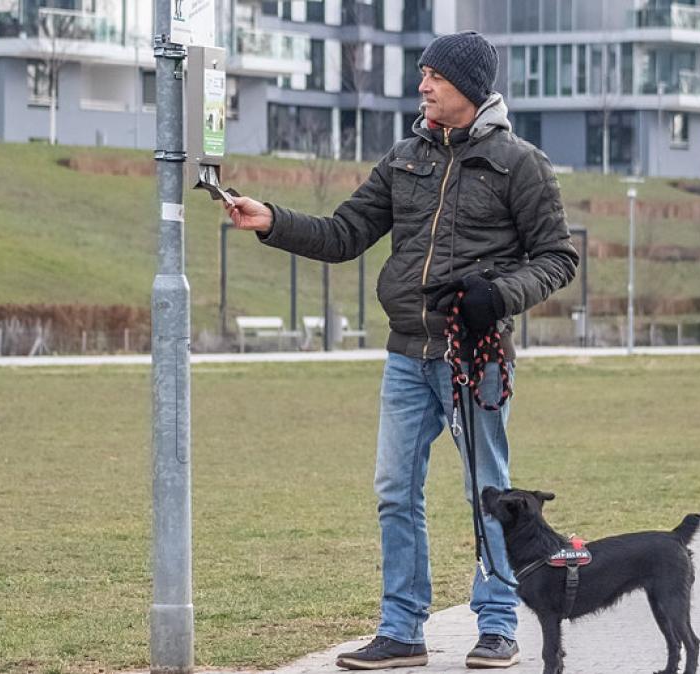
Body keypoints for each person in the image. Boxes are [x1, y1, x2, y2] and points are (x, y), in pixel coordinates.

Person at [224, 30, 578, 670]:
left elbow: (558, 257)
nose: (423, 85)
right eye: (423, 73)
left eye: (434, 76)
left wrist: (497, 296)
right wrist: (272, 220)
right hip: (406, 355)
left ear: (468, 87)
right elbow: (344, 233)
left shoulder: (520, 163)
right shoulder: (404, 157)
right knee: (394, 491)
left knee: (490, 494)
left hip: (476, 358)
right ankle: (402, 630)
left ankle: (499, 625)